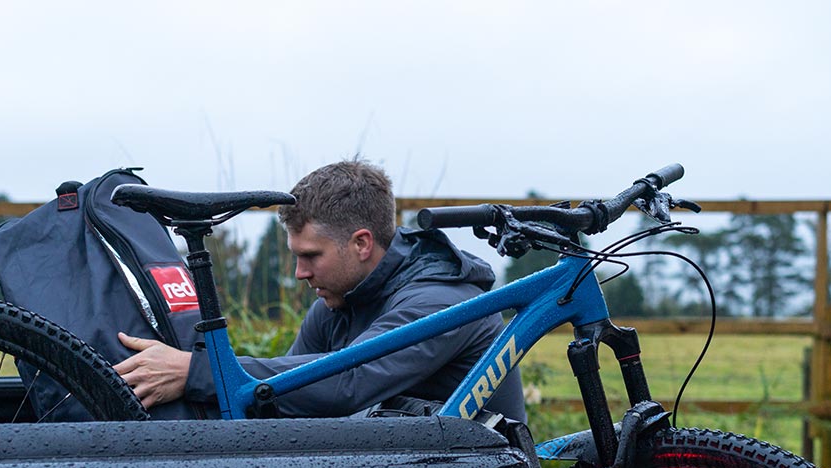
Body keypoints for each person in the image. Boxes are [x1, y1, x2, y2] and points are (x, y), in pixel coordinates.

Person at [113, 159, 526, 421]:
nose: (299, 273)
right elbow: (284, 401)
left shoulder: (442, 301)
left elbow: (348, 383)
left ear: (361, 244)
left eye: (311, 255)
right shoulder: (337, 303)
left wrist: (199, 373)